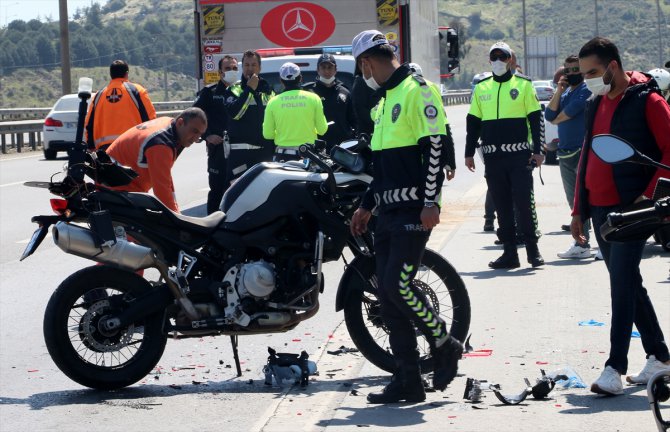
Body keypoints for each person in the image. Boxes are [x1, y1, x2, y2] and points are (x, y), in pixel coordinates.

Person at [349, 30, 463, 404]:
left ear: (367, 62)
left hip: (415, 209)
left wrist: (431, 201)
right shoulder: (384, 102)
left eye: (361, 66)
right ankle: (408, 378)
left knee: (398, 285)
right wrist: (366, 205)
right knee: (386, 293)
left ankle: (444, 342)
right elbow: (382, 167)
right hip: (388, 210)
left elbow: (435, 148)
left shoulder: (419, 89)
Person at [572, 37, 670, 396]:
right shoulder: (594, 103)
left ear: (613, 66)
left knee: (621, 285)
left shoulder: (648, 100)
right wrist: (578, 210)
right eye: (583, 74)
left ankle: (615, 366)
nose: (589, 80)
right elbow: (587, 156)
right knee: (628, 282)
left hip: (634, 209)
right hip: (599, 209)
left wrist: (650, 194)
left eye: (594, 72)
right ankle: (660, 356)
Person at [465, 41, 545, 269]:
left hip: (519, 157)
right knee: (502, 207)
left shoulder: (523, 84)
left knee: (524, 203)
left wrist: (538, 151)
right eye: (494, 57)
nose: (498, 60)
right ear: (489, 60)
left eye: (503, 56)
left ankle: (533, 250)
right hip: (493, 158)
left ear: (510, 59)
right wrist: (468, 152)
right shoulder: (481, 87)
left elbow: (536, 118)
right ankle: (510, 253)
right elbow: (473, 122)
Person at [106, 108, 208, 213]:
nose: (196, 139)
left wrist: (176, 211)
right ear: (180, 122)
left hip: (114, 183)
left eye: (200, 135)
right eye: (194, 131)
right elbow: (162, 193)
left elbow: (165, 177)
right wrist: (177, 220)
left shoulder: (169, 124)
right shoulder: (161, 144)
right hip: (116, 189)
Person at [544, 55, 593, 259]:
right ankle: (582, 242)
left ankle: (591, 242)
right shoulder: (565, 93)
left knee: (587, 200)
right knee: (574, 203)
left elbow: (566, 114)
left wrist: (556, 118)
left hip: (581, 152)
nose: (572, 74)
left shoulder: (585, 90)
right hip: (565, 154)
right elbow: (548, 115)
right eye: (568, 71)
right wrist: (559, 89)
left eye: (576, 70)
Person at [193, 55, 238, 214]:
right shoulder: (210, 92)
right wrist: (207, 135)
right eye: (227, 68)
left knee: (238, 192)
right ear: (220, 72)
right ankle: (210, 230)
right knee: (217, 190)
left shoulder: (243, 91)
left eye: (234, 68)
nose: (232, 71)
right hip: (217, 150)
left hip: (239, 150)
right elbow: (195, 116)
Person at [225, 50, 275, 184]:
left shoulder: (268, 91)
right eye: (247, 65)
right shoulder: (233, 90)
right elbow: (235, 113)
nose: (250, 69)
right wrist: (249, 90)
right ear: (242, 67)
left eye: (254, 65)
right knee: (237, 196)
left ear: (259, 68)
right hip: (241, 154)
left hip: (265, 154)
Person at [85, 60, 156, 151]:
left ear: (111, 75)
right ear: (126, 74)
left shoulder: (99, 95)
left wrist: (91, 146)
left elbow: (88, 124)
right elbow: (150, 119)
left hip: (105, 150)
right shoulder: (137, 91)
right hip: (132, 146)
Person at [263, 62, 328, 161]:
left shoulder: (273, 102)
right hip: (308, 156)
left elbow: (268, 134)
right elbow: (322, 130)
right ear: (300, 78)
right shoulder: (314, 98)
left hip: (282, 157)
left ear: (281, 80)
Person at [302, 54, 356, 152]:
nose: (326, 71)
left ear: (335, 69)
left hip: (342, 147)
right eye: (323, 67)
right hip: (316, 147)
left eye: (330, 67)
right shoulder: (308, 92)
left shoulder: (344, 92)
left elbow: (353, 119)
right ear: (318, 70)